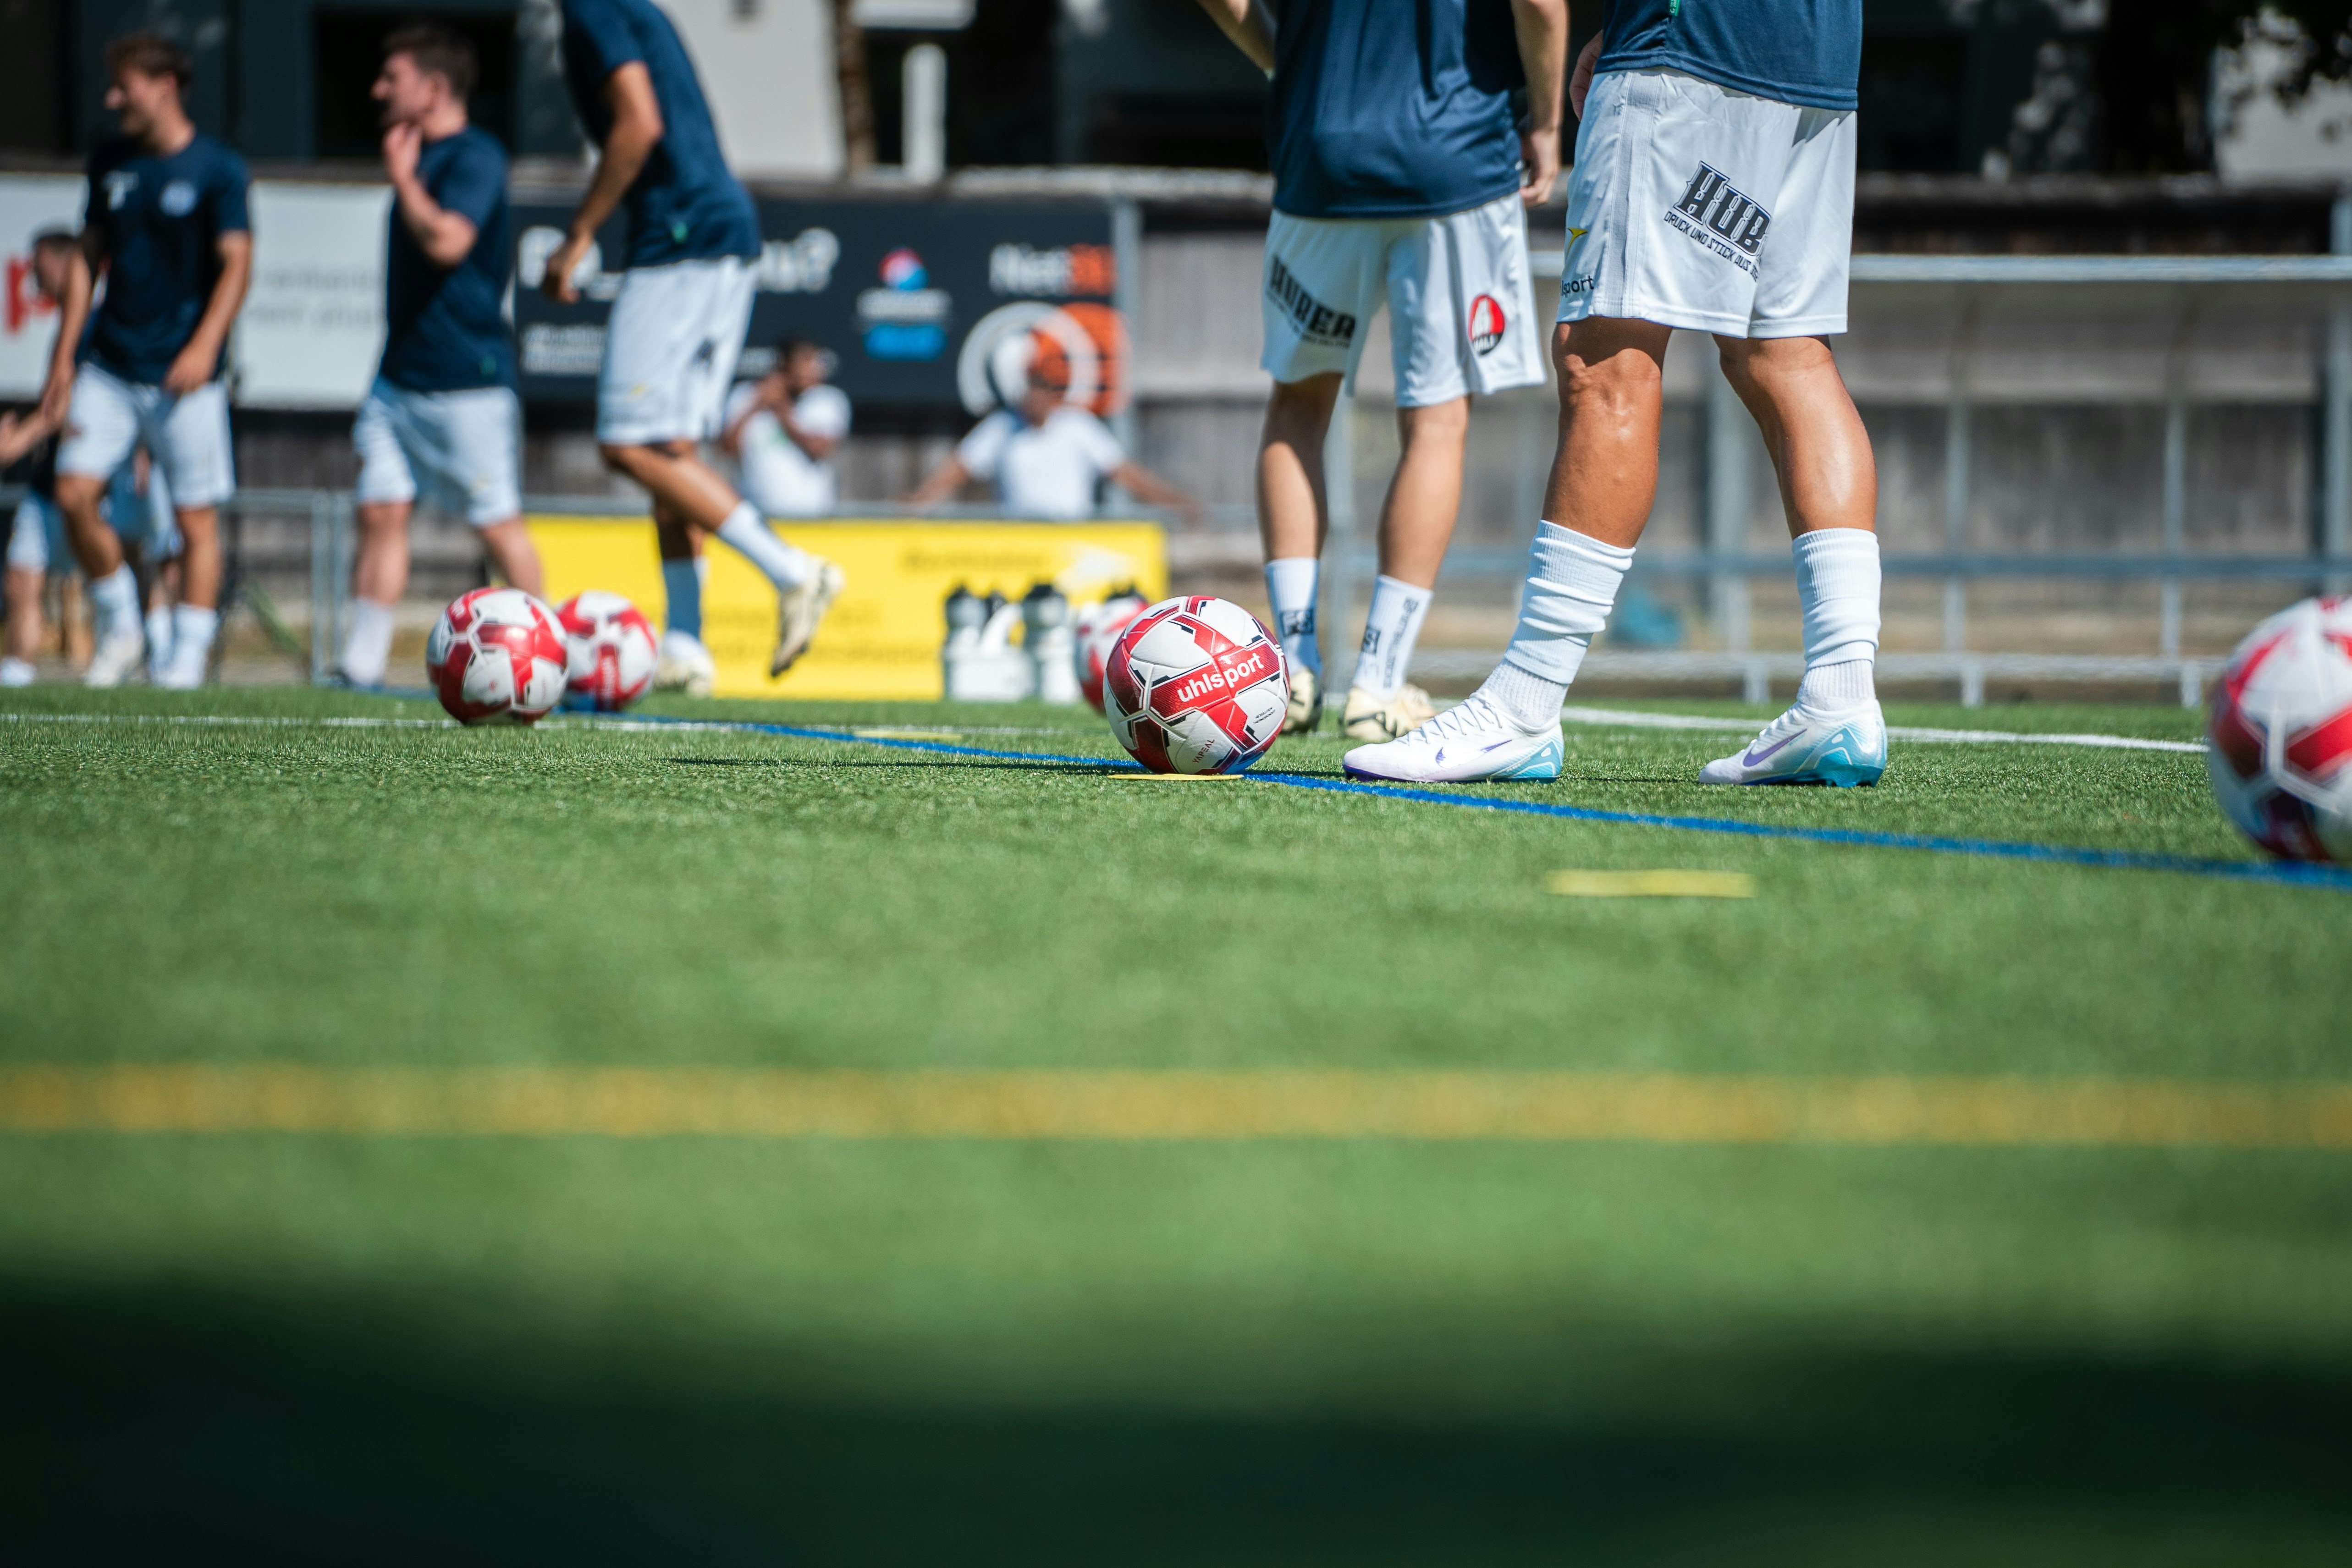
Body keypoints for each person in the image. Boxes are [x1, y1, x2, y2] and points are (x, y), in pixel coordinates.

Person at [1343, 3, 1887, 787]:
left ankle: (1522, 707)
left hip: (1687, 44)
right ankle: (1842, 691)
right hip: (1819, 58)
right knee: (1787, 356)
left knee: (1606, 361)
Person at [1197, 0, 1560, 743]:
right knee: (1436, 419)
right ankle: (1378, 683)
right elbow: (1539, 6)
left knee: (1297, 405)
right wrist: (1548, 122)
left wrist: (1287, 62)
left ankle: (1290, 671)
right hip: (1456, 159)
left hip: (1320, 148)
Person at [543, 0, 842, 696]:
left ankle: (793, 572)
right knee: (668, 450)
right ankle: (686, 641)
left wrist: (580, 232)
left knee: (626, 445)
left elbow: (638, 125)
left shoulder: (592, 8)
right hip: (716, 230)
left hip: (679, 236)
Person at [39, 33, 252, 689]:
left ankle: (186, 656)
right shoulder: (110, 159)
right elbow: (84, 260)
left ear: (163, 87)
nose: (112, 99)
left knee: (194, 520)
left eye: (123, 85)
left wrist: (204, 346)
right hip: (109, 364)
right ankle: (123, 626)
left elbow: (237, 263)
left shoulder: (218, 168)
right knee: (73, 492)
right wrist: (65, 358)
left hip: (185, 376)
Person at [337, 26, 543, 689]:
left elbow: (450, 242)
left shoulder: (475, 155)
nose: (378, 90)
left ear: (433, 88)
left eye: (390, 78)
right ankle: (358, 665)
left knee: (496, 525)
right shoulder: (419, 156)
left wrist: (402, 178)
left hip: (469, 383)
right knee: (380, 511)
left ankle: (546, 656)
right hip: (397, 378)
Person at [2, 231, 185, 685]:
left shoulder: (98, 325)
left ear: (68, 264)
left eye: (40, 262)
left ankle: (148, 651)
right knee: (22, 582)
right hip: (50, 484)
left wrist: (18, 441)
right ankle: (18, 676)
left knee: (141, 561)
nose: (33, 274)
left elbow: (73, 405)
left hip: (97, 482)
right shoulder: (70, 326)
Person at [901, 355, 1196, 522]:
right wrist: (916, 502)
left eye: (1042, 394)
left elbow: (1126, 474)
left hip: (1069, 536)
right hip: (1019, 541)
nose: (1035, 403)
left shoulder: (1079, 427)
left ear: (1056, 397)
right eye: (1030, 393)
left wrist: (1174, 503)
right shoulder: (1002, 427)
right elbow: (957, 469)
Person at [720, 336, 851, 517]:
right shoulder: (745, 394)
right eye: (805, 361)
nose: (812, 369)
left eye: (815, 361)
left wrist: (780, 408)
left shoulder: (827, 399)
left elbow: (818, 448)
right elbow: (727, 449)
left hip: (813, 515)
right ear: (784, 363)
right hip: (756, 513)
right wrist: (756, 404)